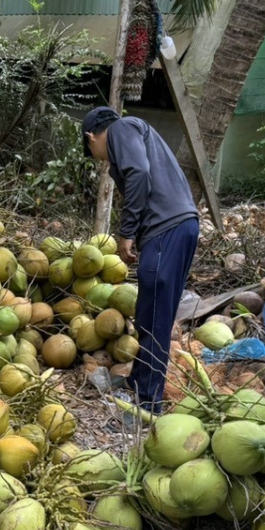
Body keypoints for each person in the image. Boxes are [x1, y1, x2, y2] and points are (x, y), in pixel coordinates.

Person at [82, 107, 200, 415]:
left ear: (92, 137)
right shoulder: (137, 134)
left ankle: (149, 404)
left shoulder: (122, 128)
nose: (100, 159)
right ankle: (138, 381)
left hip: (167, 229)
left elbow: (138, 173)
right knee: (149, 312)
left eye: (93, 151)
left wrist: (127, 232)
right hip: (174, 227)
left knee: (157, 317)